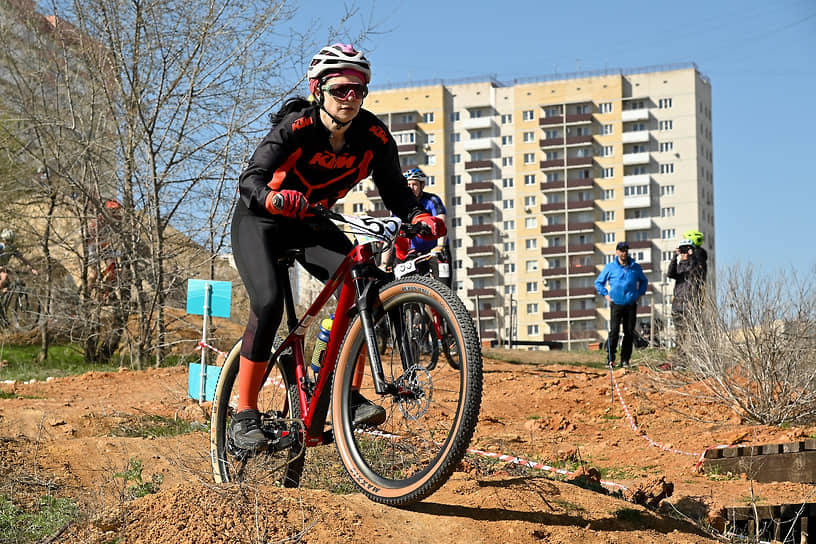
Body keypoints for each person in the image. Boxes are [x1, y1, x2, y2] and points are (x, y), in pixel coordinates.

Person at [229, 43, 446, 451]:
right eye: (340, 90)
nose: (350, 98)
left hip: (310, 221)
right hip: (261, 220)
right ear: (317, 89)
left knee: (363, 285)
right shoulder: (296, 128)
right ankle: (244, 413)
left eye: (358, 91)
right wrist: (273, 198)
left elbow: (397, 191)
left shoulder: (375, 136)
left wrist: (417, 216)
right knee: (270, 301)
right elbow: (251, 178)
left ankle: (343, 391)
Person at [383, 167, 451, 285]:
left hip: (435, 249)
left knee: (444, 283)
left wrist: (440, 246)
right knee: (407, 284)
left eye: (414, 184)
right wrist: (384, 263)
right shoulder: (400, 206)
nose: (411, 188)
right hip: (413, 252)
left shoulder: (432, 200)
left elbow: (441, 222)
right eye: (408, 184)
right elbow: (391, 233)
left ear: (422, 185)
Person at [594, 241, 648, 368]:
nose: (624, 253)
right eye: (621, 250)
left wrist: (640, 294)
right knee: (614, 331)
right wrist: (606, 295)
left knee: (629, 332)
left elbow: (644, 281)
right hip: (616, 304)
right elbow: (599, 282)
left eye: (625, 250)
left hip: (630, 304)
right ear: (617, 252)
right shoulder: (610, 267)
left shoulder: (635, 267)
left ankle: (625, 360)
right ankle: (610, 359)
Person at [667, 238, 707, 338]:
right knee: (680, 335)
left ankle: (694, 353)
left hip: (691, 305)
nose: (684, 253)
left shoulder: (698, 264)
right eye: (682, 250)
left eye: (686, 250)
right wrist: (674, 257)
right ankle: (680, 353)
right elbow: (670, 273)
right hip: (678, 305)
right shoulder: (679, 266)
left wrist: (692, 255)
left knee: (693, 334)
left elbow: (694, 271)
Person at [86, 199, 123, 293]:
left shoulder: (118, 219)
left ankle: (105, 292)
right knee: (94, 274)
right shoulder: (100, 219)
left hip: (106, 247)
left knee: (113, 269)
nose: (117, 212)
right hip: (94, 246)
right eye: (114, 210)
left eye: (118, 210)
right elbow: (90, 232)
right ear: (108, 210)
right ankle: (87, 294)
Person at [0, 228, 38, 293]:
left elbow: (22, 259)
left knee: (8, 285)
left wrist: (32, 269)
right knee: (4, 276)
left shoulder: (12, 248)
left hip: (3, 268)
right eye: (7, 240)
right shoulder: (0, 246)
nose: (8, 242)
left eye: (10, 241)